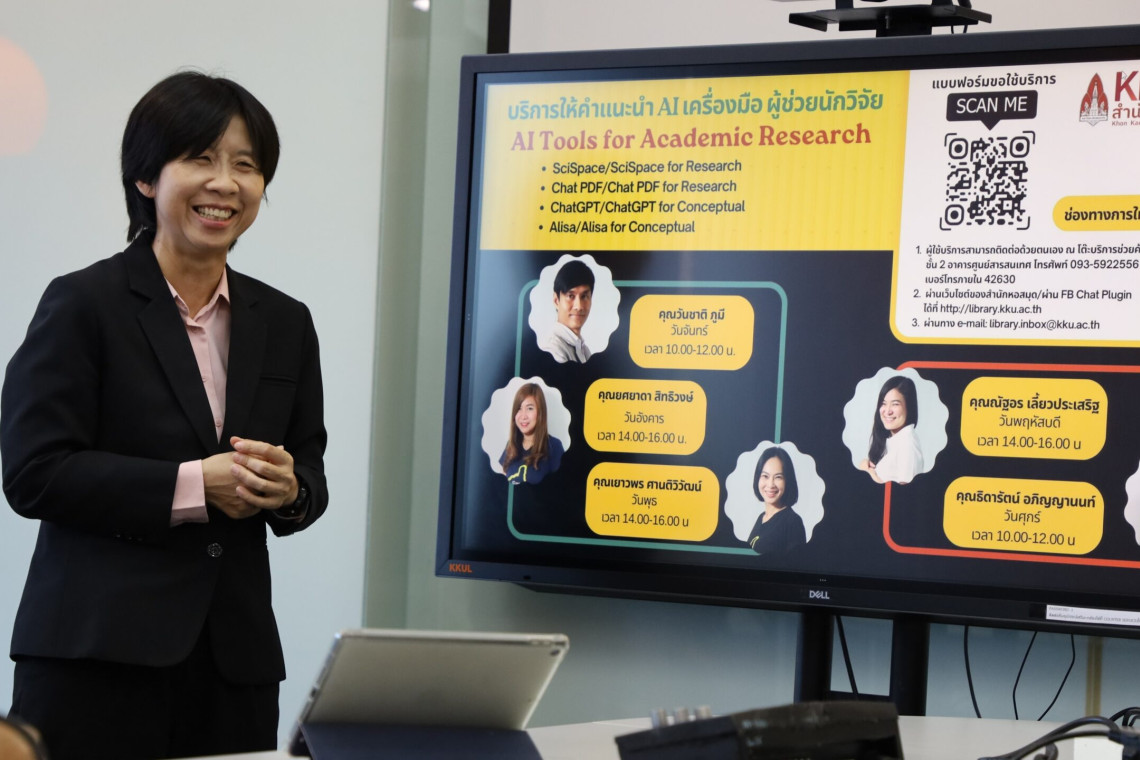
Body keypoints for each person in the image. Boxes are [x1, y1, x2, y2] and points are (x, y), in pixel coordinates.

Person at [0, 72, 328, 760]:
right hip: (96, 662)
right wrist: (194, 485)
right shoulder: (83, 304)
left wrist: (289, 490)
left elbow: (309, 473)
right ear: (146, 178)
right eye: (201, 159)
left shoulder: (286, 321)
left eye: (246, 165)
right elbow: (34, 473)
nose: (225, 183)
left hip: (233, 668)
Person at [859, 376, 923, 484]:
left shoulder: (907, 443)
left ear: (909, 407)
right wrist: (867, 466)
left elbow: (905, 493)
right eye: (883, 403)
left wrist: (869, 473)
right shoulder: (895, 440)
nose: (887, 411)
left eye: (895, 404)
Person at [499, 383, 563, 484]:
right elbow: (502, 484)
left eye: (530, 408)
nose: (523, 416)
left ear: (540, 412)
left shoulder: (554, 446)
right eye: (519, 408)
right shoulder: (511, 446)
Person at [747, 447, 806, 555]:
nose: (770, 485)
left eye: (778, 477)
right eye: (765, 476)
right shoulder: (761, 518)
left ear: (787, 481)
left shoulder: (793, 522)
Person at [538, 259, 594, 363]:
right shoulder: (552, 349)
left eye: (584, 296)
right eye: (571, 296)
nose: (579, 306)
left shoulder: (584, 350)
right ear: (556, 300)